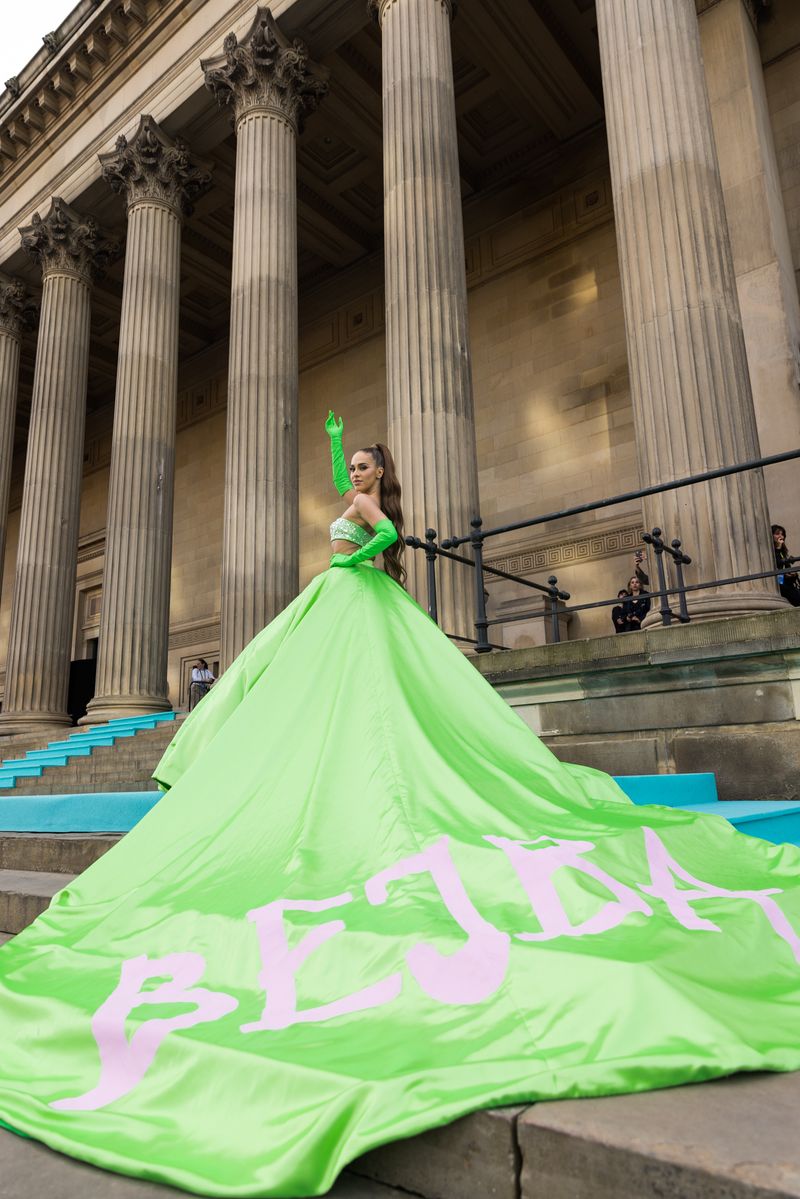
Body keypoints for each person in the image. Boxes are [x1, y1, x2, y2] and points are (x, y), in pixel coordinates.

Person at [0, 412, 798, 1199]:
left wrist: (364, 553)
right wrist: (340, 445)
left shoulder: (371, 515)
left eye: (365, 469)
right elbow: (355, 499)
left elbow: (390, 543)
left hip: (352, 605)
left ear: (383, 478)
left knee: (362, 714)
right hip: (342, 612)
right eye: (355, 471)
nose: (355, 478)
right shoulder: (353, 489)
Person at [772, 524, 800, 607]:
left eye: (782, 534)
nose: (781, 536)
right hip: (780, 584)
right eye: (777, 533)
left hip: (787, 584)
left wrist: (793, 575)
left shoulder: (783, 553)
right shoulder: (772, 551)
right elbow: (777, 563)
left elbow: (787, 569)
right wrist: (779, 547)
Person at [622, 552, 651, 630]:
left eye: (637, 582)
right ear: (630, 586)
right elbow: (623, 614)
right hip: (630, 627)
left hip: (643, 625)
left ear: (640, 584)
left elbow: (649, 609)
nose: (635, 584)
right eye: (632, 582)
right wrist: (627, 618)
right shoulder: (627, 598)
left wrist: (639, 619)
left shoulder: (646, 594)